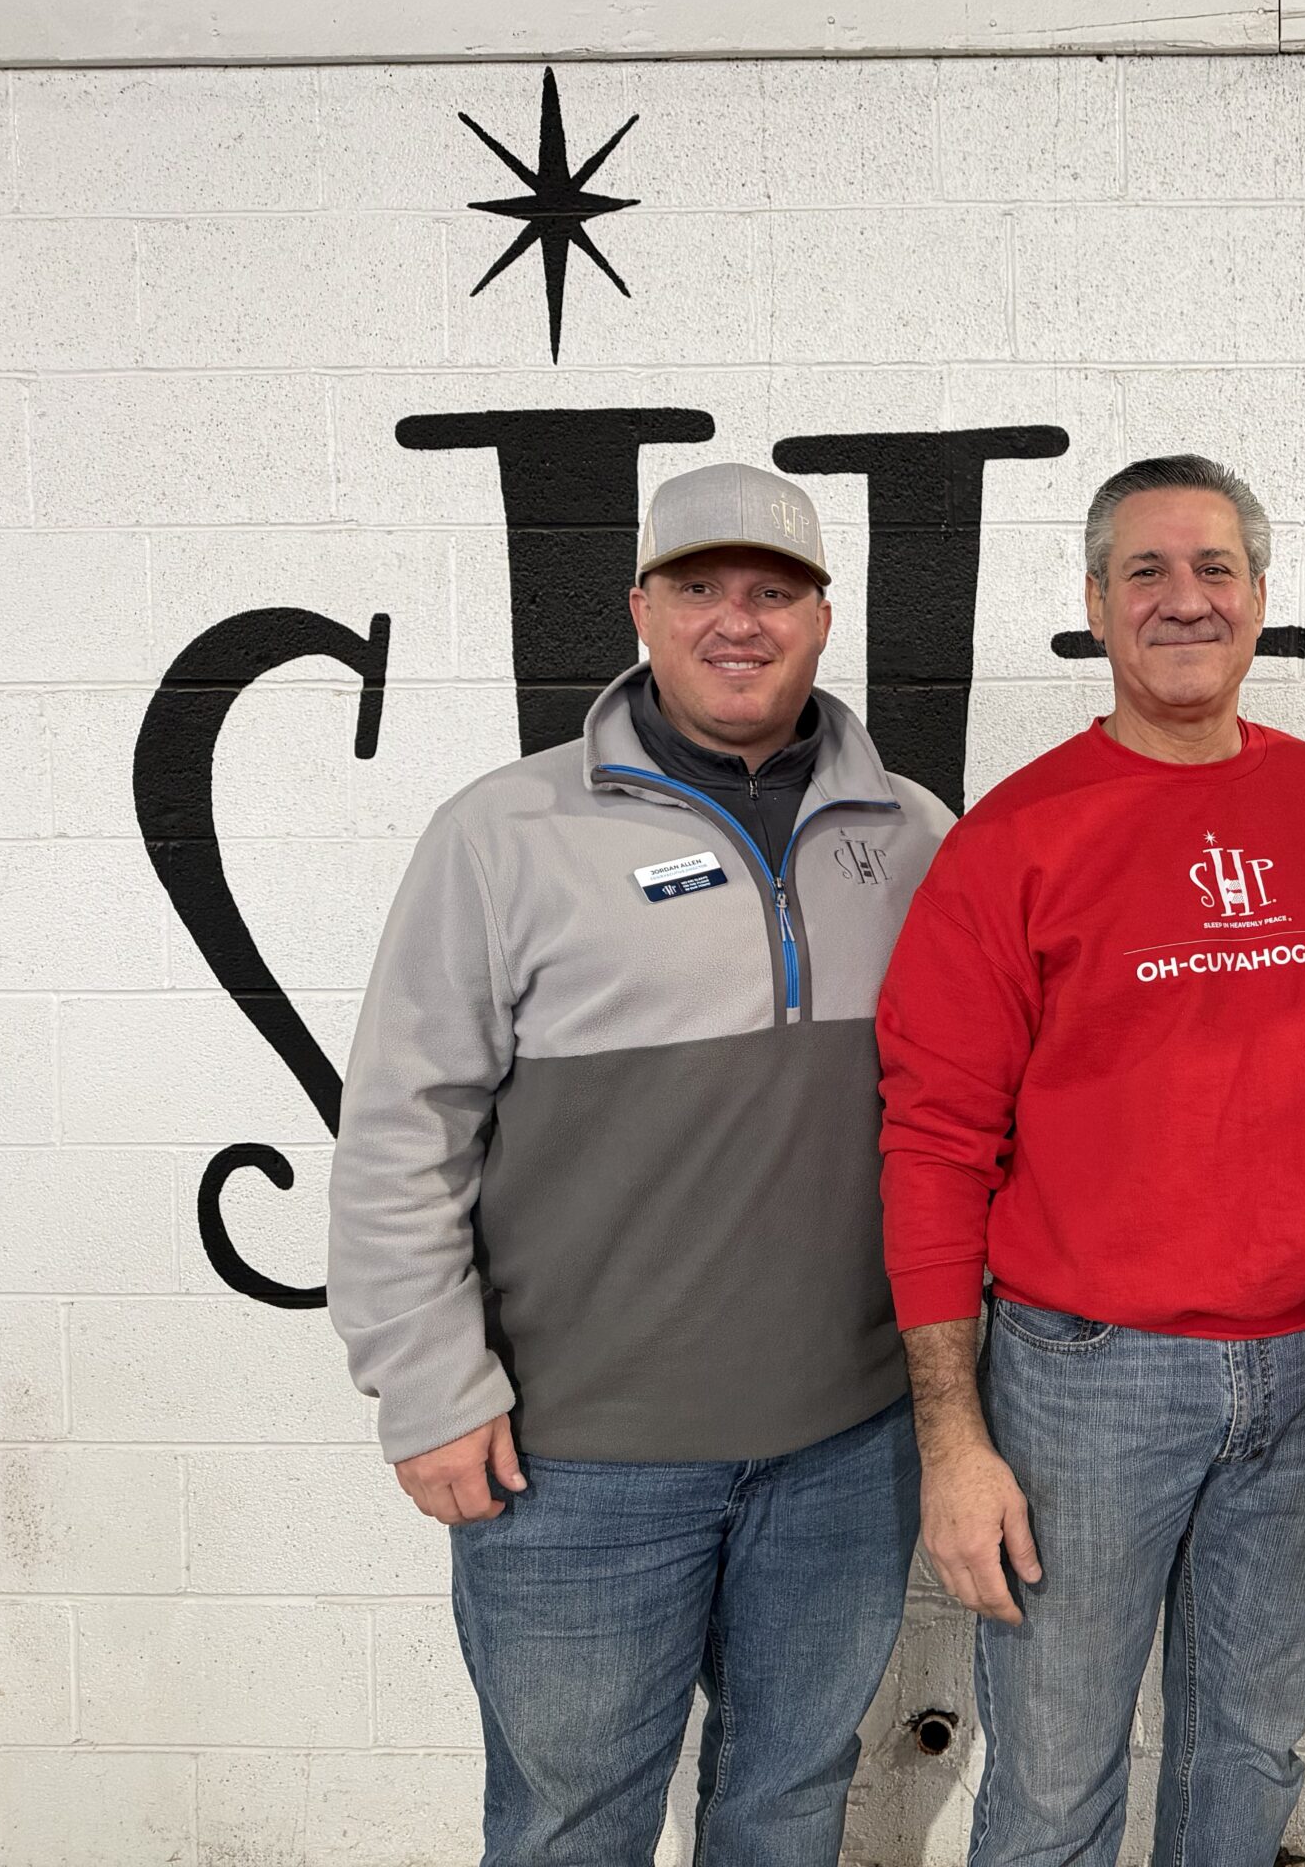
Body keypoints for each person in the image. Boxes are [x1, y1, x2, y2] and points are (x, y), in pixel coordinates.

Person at [328, 462, 953, 1867]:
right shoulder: (505, 835)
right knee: (569, 1829)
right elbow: (399, 1129)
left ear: (822, 614)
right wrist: (426, 1386)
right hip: (577, 1460)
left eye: (774, 590)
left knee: (790, 1808)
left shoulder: (913, 836)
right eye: (700, 587)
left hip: (848, 1451)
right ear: (642, 609)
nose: (739, 620)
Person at [875, 454, 1305, 1865]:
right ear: (1096, 605)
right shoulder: (1014, 841)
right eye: (1149, 574)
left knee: (1246, 1761)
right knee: (1053, 1784)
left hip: (1301, 1373)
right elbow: (933, 1141)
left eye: (1215, 570)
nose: (1186, 600)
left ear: (1261, 600)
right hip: (1082, 1382)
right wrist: (953, 1439)